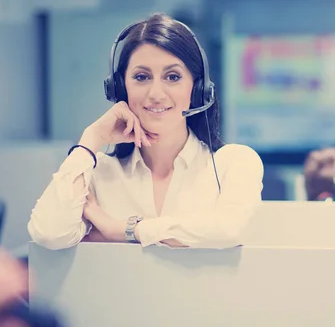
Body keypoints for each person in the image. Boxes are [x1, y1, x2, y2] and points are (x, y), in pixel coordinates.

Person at [27, 13, 264, 250]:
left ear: (197, 89)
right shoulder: (98, 172)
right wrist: (90, 140)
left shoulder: (234, 162)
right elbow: (49, 233)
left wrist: (121, 230)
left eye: (173, 77)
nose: (156, 94)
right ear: (120, 88)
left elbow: (229, 230)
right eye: (142, 77)